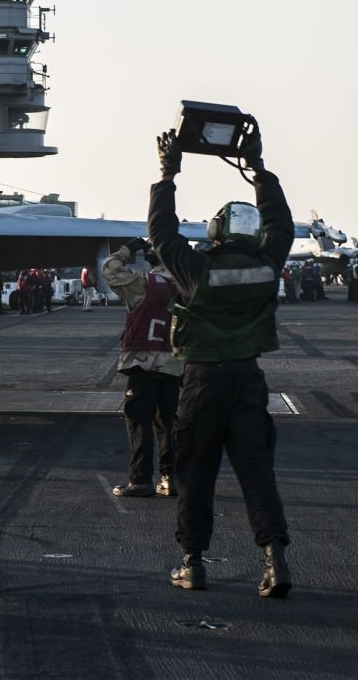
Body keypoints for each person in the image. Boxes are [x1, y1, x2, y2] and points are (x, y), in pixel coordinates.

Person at [150, 128, 293, 598]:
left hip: (203, 381)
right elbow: (282, 223)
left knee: (195, 472)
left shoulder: (197, 270)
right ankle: (275, 561)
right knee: (256, 472)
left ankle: (192, 563)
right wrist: (257, 167)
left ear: (217, 230)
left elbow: (163, 232)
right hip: (248, 381)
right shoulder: (269, 264)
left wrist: (168, 173)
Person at [101, 238, 183, 498]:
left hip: (143, 361)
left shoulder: (145, 283)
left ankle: (140, 479)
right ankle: (172, 479)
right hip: (174, 364)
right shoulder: (188, 284)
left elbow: (110, 269)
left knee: (139, 421)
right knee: (168, 422)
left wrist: (127, 250)